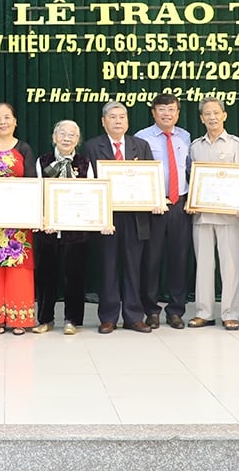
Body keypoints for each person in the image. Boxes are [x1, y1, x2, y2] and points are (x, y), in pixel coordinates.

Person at [83, 100, 160, 334]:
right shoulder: (92, 147)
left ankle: (133, 316)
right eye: (113, 117)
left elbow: (151, 179)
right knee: (108, 267)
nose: (118, 121)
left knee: (133, 267)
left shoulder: (141, 145)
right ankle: (108, 317)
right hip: (107, 216)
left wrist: (156, 200)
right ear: (103, 122)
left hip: (136, 216)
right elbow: (90, 183)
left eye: (122, 117)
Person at [187, 97, 239, 331]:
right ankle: (204, 312)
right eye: (207, 114)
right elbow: (192, 180)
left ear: (225, 115)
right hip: (202, 215)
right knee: (203, 265)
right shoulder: (195, 146)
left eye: (216, 113)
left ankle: (230, 313)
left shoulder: (236, 145)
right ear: (201, 118)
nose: (212, 117)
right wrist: (193, 201)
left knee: (230, 265)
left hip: (230, 215)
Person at [0, 102, 36, 335]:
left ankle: (18, 317)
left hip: (18, 221)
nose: (3, 122)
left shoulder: (24, 148)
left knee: (19, 266)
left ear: (15, 121)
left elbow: (32, 182)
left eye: (7, 117)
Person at [135, 93, 192, 329]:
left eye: (171, 110)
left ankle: (176, 310)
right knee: (152, 259)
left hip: (181, 204)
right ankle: (151, 310)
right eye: (162, 109)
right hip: (155, 205)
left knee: (179, 259)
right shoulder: (141, 138)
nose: (167, 113)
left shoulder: (186, 137)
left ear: (178, 113)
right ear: (153, 112)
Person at [33, 120, 92, 335]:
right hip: (48, 229)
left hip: (76, 230)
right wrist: (44, 219)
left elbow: (91, 194)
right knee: (46, 276)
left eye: (72, 135)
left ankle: (72, 320)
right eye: (63, 134)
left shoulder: (85, 162)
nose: (67, 138)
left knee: (75, 276)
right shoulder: (43, 161)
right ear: (54, 137)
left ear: (78, 139)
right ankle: (45, 319)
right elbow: (39, 192)